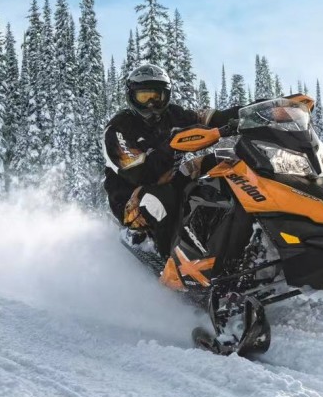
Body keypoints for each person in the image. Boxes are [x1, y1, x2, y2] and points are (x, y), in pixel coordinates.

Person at [103, 63, 241, 259]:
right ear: (132, 97)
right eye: (144, 97)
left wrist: (257, 111)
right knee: (161, 198)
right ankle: (172, 264)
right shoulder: (118, 129)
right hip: (131, 199)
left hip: (171, 180)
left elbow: (210, 118)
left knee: (223, 162)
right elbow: (138, 174)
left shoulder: (173, 115)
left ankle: (233, 239)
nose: (151, 104)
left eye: (157, 97)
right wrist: (171, 146)